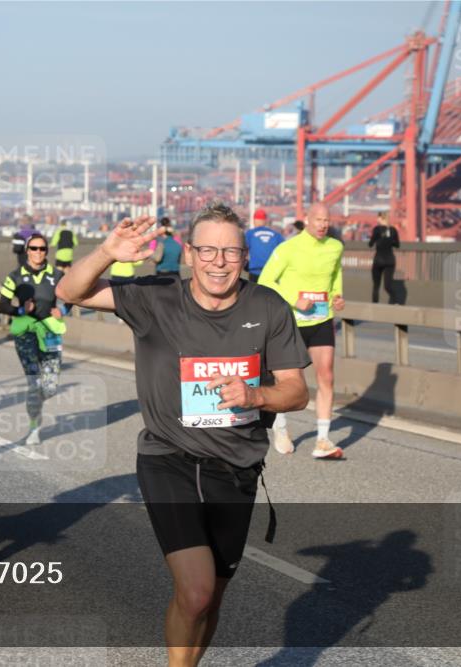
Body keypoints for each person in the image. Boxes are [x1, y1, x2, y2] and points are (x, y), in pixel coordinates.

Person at [54, 204, 309, 667]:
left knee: (213, 597)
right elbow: (71, 291)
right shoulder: (156, 297)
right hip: (169, 458)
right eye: (207, 250)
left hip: (237, 468)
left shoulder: (267, 306)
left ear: (245, 256)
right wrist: (107, 253)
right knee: (195, 591)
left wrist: (254, 397)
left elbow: (296, 391)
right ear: (189, 254)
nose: (218, 262)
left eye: (230, 252)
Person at [259, 202, 345, 459]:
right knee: (287, 381)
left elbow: (335, 276)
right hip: (292, 321)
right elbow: (266, 280)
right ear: (306, 220)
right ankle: (281, 427)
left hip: (321, 320)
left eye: (326, 220)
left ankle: (322, 440)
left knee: (326, 376)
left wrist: (337, 297)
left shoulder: (335, 247)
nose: (322, 224)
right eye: (318, 219)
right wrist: (294, 299)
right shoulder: (288, 248)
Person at [0, 233, 65, 446]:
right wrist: (19, 309)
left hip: (51, 333)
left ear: (47, 251)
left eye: (42, 249)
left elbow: (74, 295)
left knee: (51, 387)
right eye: (34, 248)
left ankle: (35, 402)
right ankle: (34, 428)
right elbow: (2, 305)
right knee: (35, 382)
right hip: (25, 333)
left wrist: (63, 308)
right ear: (27, 250)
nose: (38, 252)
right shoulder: (15, 276)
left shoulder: (57, 274)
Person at [368, 212, 400, 304]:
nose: (376, 220)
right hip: (390, 260)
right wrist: (389, 241)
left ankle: (375, 307)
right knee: (387, 286)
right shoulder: (393, 230)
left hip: (379, 260)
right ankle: (395, 302)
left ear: (381, 218)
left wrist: (377, 241)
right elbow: (397, 245)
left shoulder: (377, 229)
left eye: (378, 218)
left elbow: (370, 244)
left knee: (376, 286)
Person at [244, 209, 283, 282]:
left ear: (254, 220)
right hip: (271, 270)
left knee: (254, 292)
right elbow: (284, 251)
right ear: (265, 221)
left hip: (254, 271)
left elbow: (242, 250)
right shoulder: (276, 235)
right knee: (268, 292)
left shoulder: (250, 234)